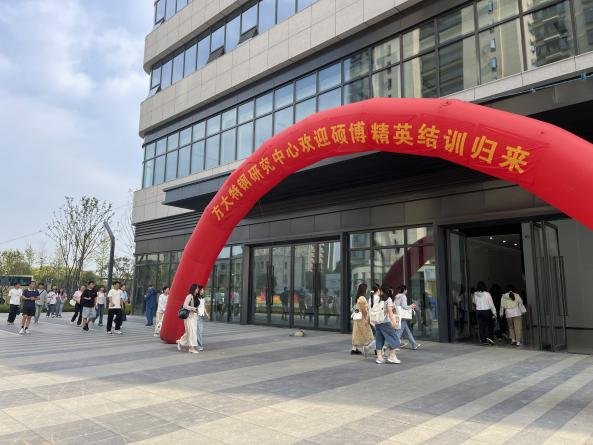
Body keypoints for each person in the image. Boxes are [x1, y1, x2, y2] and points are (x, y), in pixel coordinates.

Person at [372, 285, 401, 364]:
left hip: (377, 322)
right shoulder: (388, 299)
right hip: (385, 322)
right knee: (394, 339)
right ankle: (392, 356)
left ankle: (379, 358)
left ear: (382, 291)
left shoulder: (377, 298)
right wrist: (394, 322)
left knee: (379, 340)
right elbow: (390, 312)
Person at [394, 285, 421, 350]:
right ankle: (395, 346)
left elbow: (396, 305)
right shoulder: (403, 296)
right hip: (402, 316)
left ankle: (414, 344)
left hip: (398, 315)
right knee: (399, 331)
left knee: (407, 331)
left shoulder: (397, 296)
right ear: (404, 290)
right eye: (406, 289)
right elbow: (404, 306)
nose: (407, 291)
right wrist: (411, 306)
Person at [351, 283, 374, 357]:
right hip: (362, 319)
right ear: (364, 289)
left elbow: (357, 308)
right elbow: (363, 310)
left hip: (358, 318)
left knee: (357, 333)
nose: (367, 290)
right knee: (369, 333)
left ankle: (354, 349)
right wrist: (367, 319)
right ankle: (375, 348)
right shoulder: (362, 298)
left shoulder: (358, 297)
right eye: (366, 288)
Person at [176, 284, 200, 354]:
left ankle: (180, 341)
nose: (198, 290)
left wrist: (196, 310)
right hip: (188, 317)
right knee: (191, 332)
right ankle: (191, 348)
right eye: (197, 288)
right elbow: (184, 305)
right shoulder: (189, 296)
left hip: (194, 317)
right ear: (194, 289)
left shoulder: (196, 296)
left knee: (190, 332)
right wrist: (192, 308)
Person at [473, 281, 496, 345]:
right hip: (486, 311)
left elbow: (474, 302)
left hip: (479, 311)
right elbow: (491, 304)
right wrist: (494, 312)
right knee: (489, 324)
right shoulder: (487, 294)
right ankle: (489, 337)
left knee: (481, 326)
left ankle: (483, 340)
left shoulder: (475, 294)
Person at [196, 286, 210, 351]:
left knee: (200, 332)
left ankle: (198, 345)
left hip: (201, 316)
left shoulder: (203, 298)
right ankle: (199, 346)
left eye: (203, 290)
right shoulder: (196, 298)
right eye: (201, 290)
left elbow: (203, 307)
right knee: (199, 332)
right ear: (199, 291)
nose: (203, 291)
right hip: (197, 316)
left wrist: (207, 314)